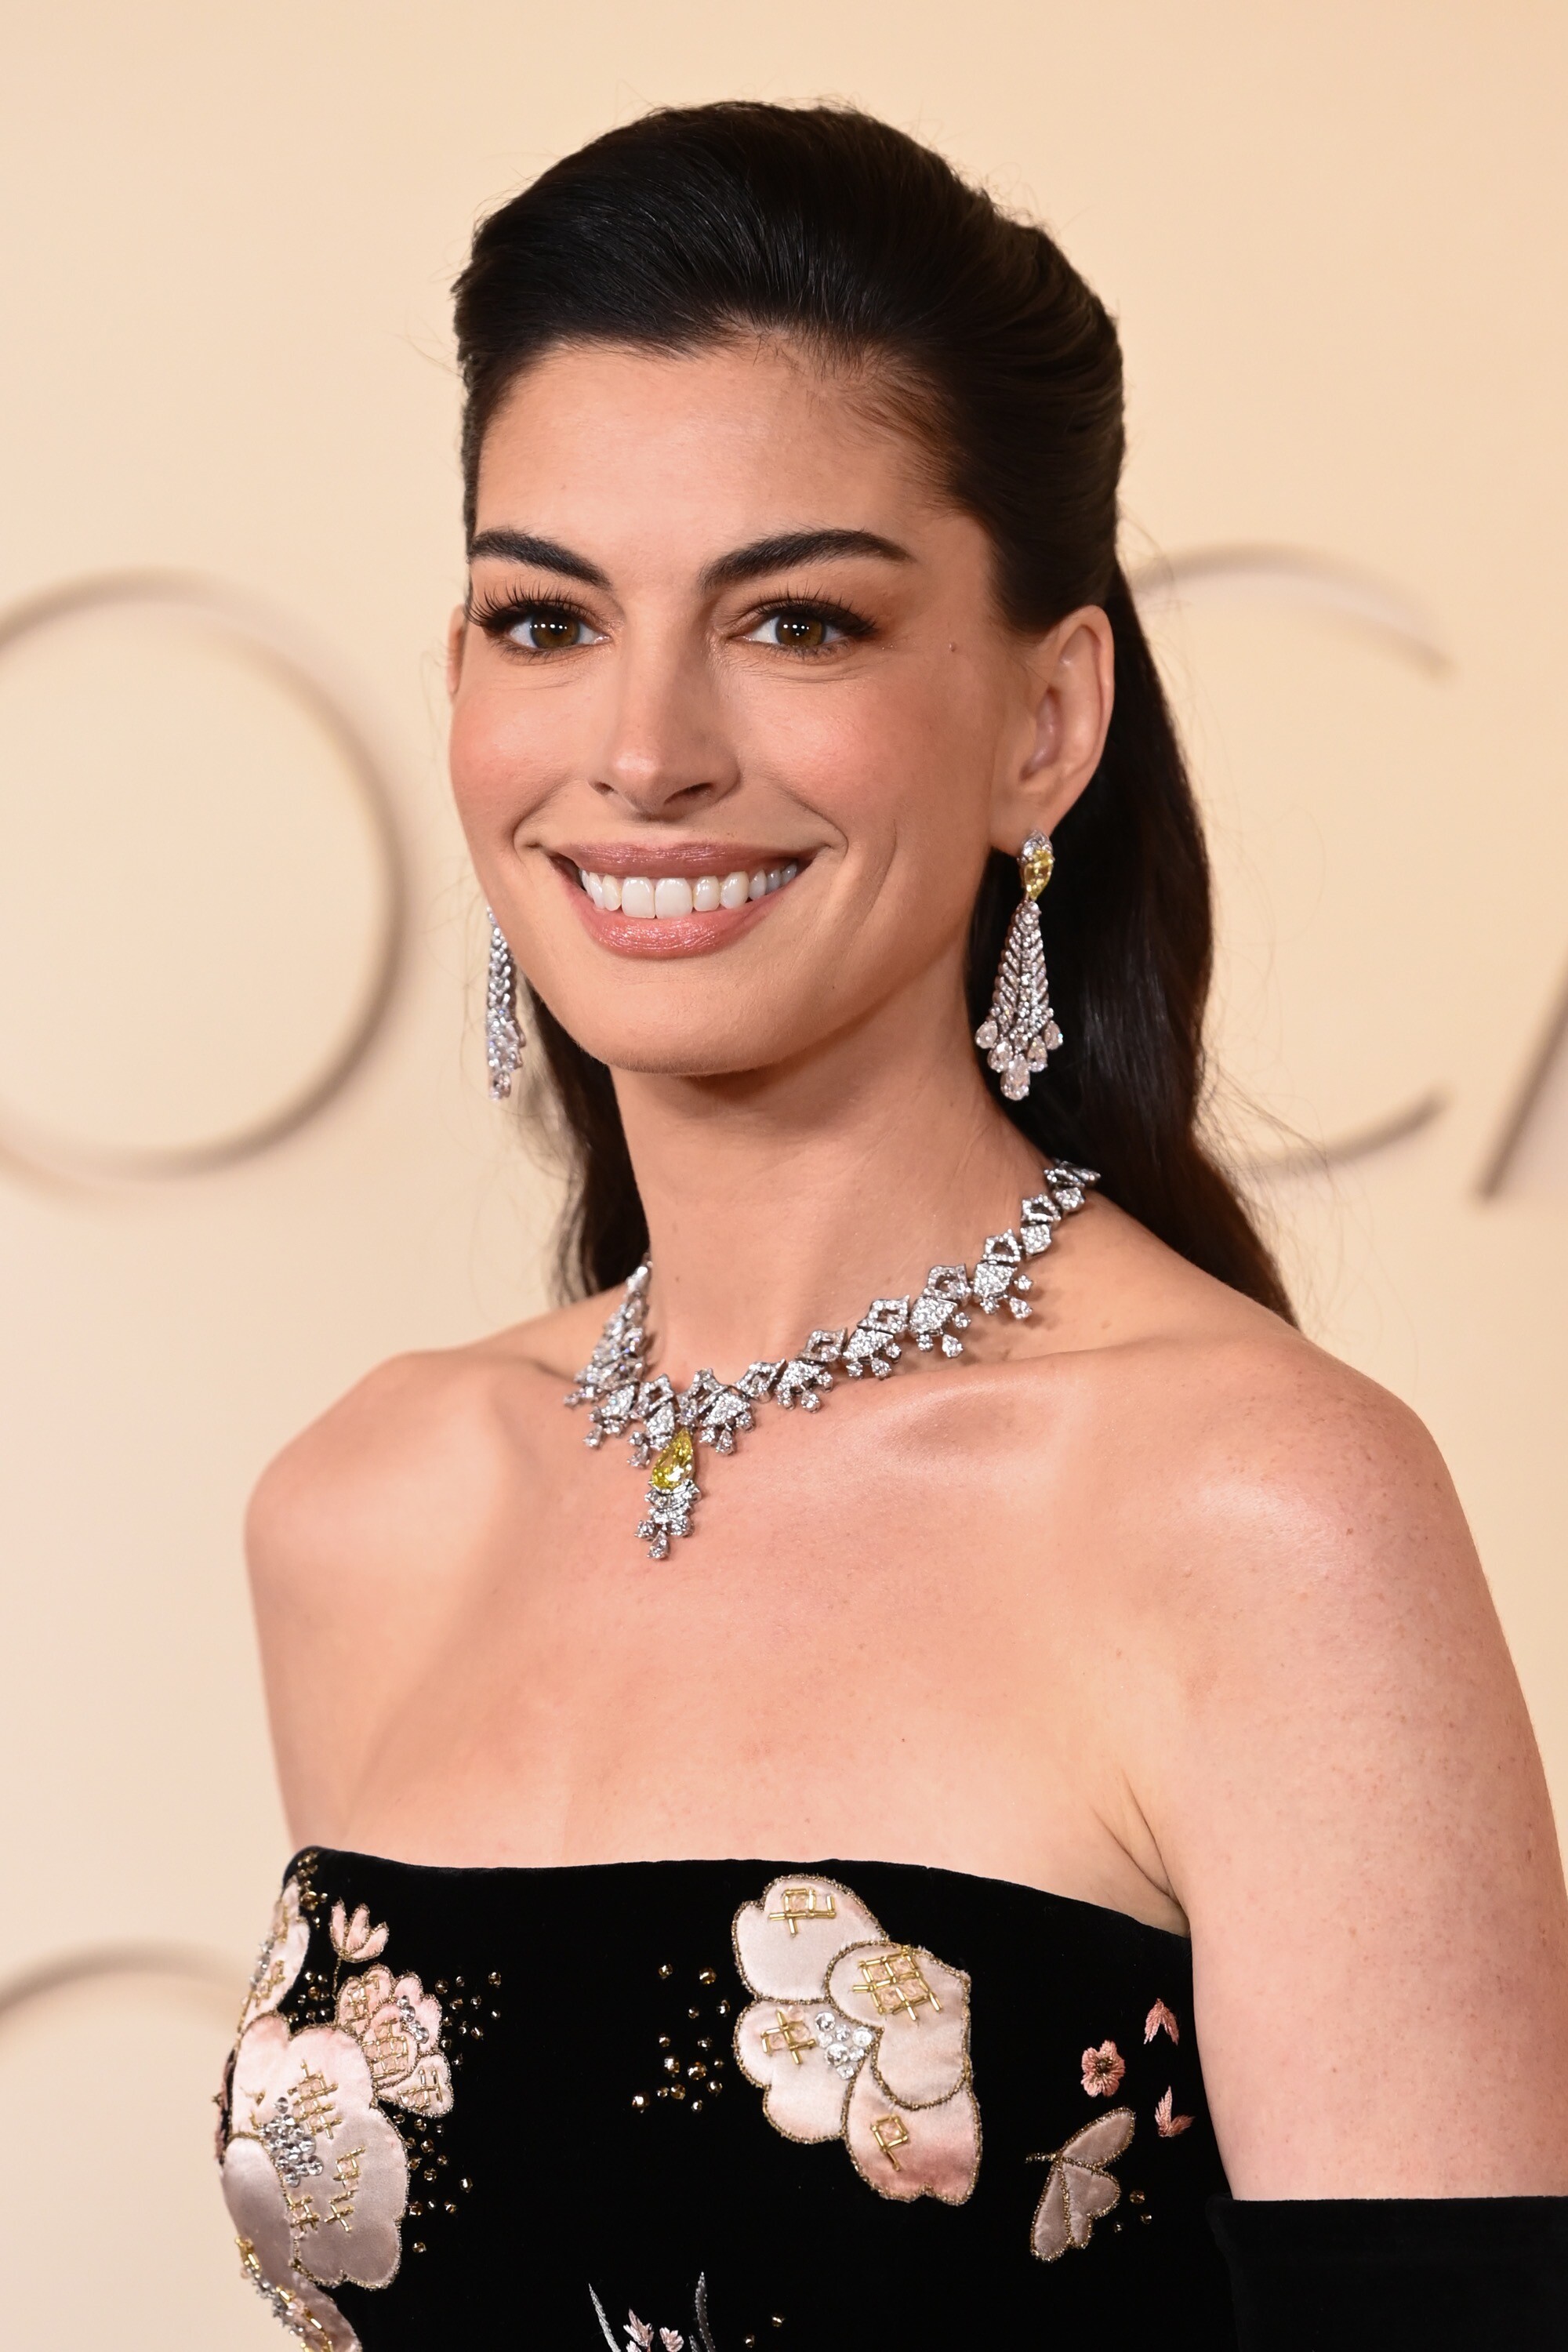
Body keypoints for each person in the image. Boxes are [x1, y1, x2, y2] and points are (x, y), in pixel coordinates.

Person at [214, 103, 1568, 2350]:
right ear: (459, 685)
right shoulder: (368, 1508)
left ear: (1048, 720)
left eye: (799, 621)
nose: (645, 749)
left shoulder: (1266, 1511)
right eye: (547, 619)